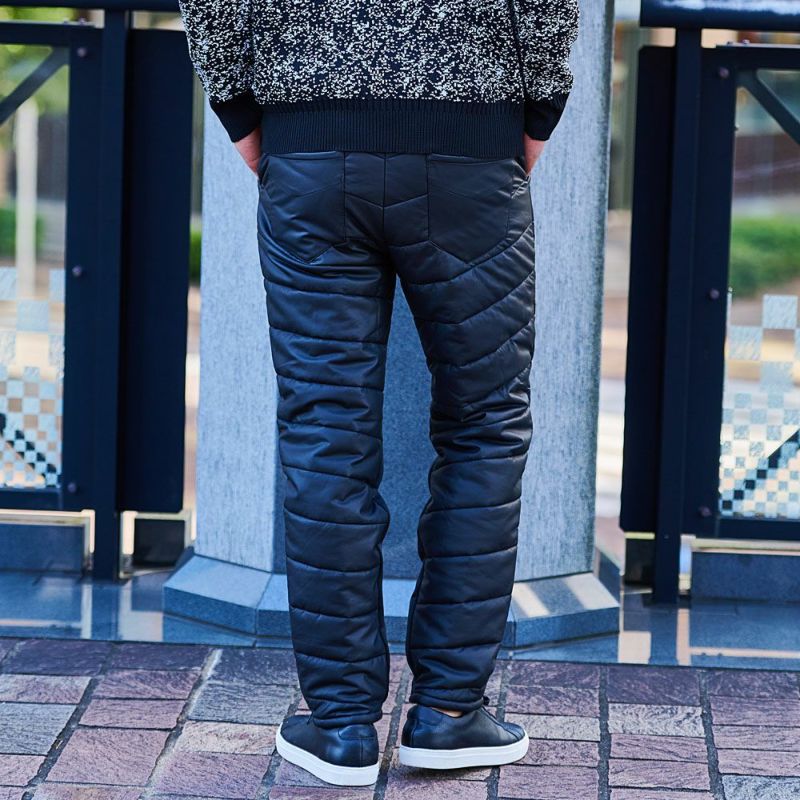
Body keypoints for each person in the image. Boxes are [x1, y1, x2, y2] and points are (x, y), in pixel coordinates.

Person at [178, 0, 579, 787]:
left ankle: (341, 725)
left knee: (324, 429)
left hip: (309, 149)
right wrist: (535, 114)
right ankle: (448, 713)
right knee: (485, 424)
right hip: (471, 148)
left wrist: (240, 112)